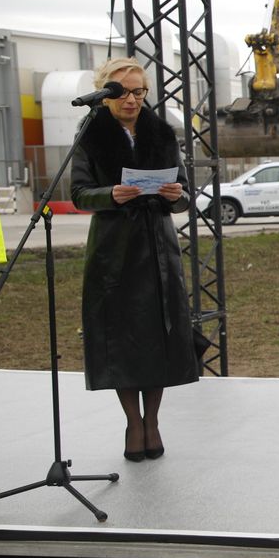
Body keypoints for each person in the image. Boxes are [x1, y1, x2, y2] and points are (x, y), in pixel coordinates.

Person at [70, 56, 200, 462]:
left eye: (139, 91)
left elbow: (183, 197)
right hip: (114, 251)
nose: (131, 99)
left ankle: (154, 420)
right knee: (122, 340)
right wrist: (109, 195)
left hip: (158, 250)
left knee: (157, 338)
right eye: (122, 91)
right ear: (105, 92)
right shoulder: (91, 135)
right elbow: (78, 193)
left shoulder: (162, 134)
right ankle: (133, 422)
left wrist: (176, 196)